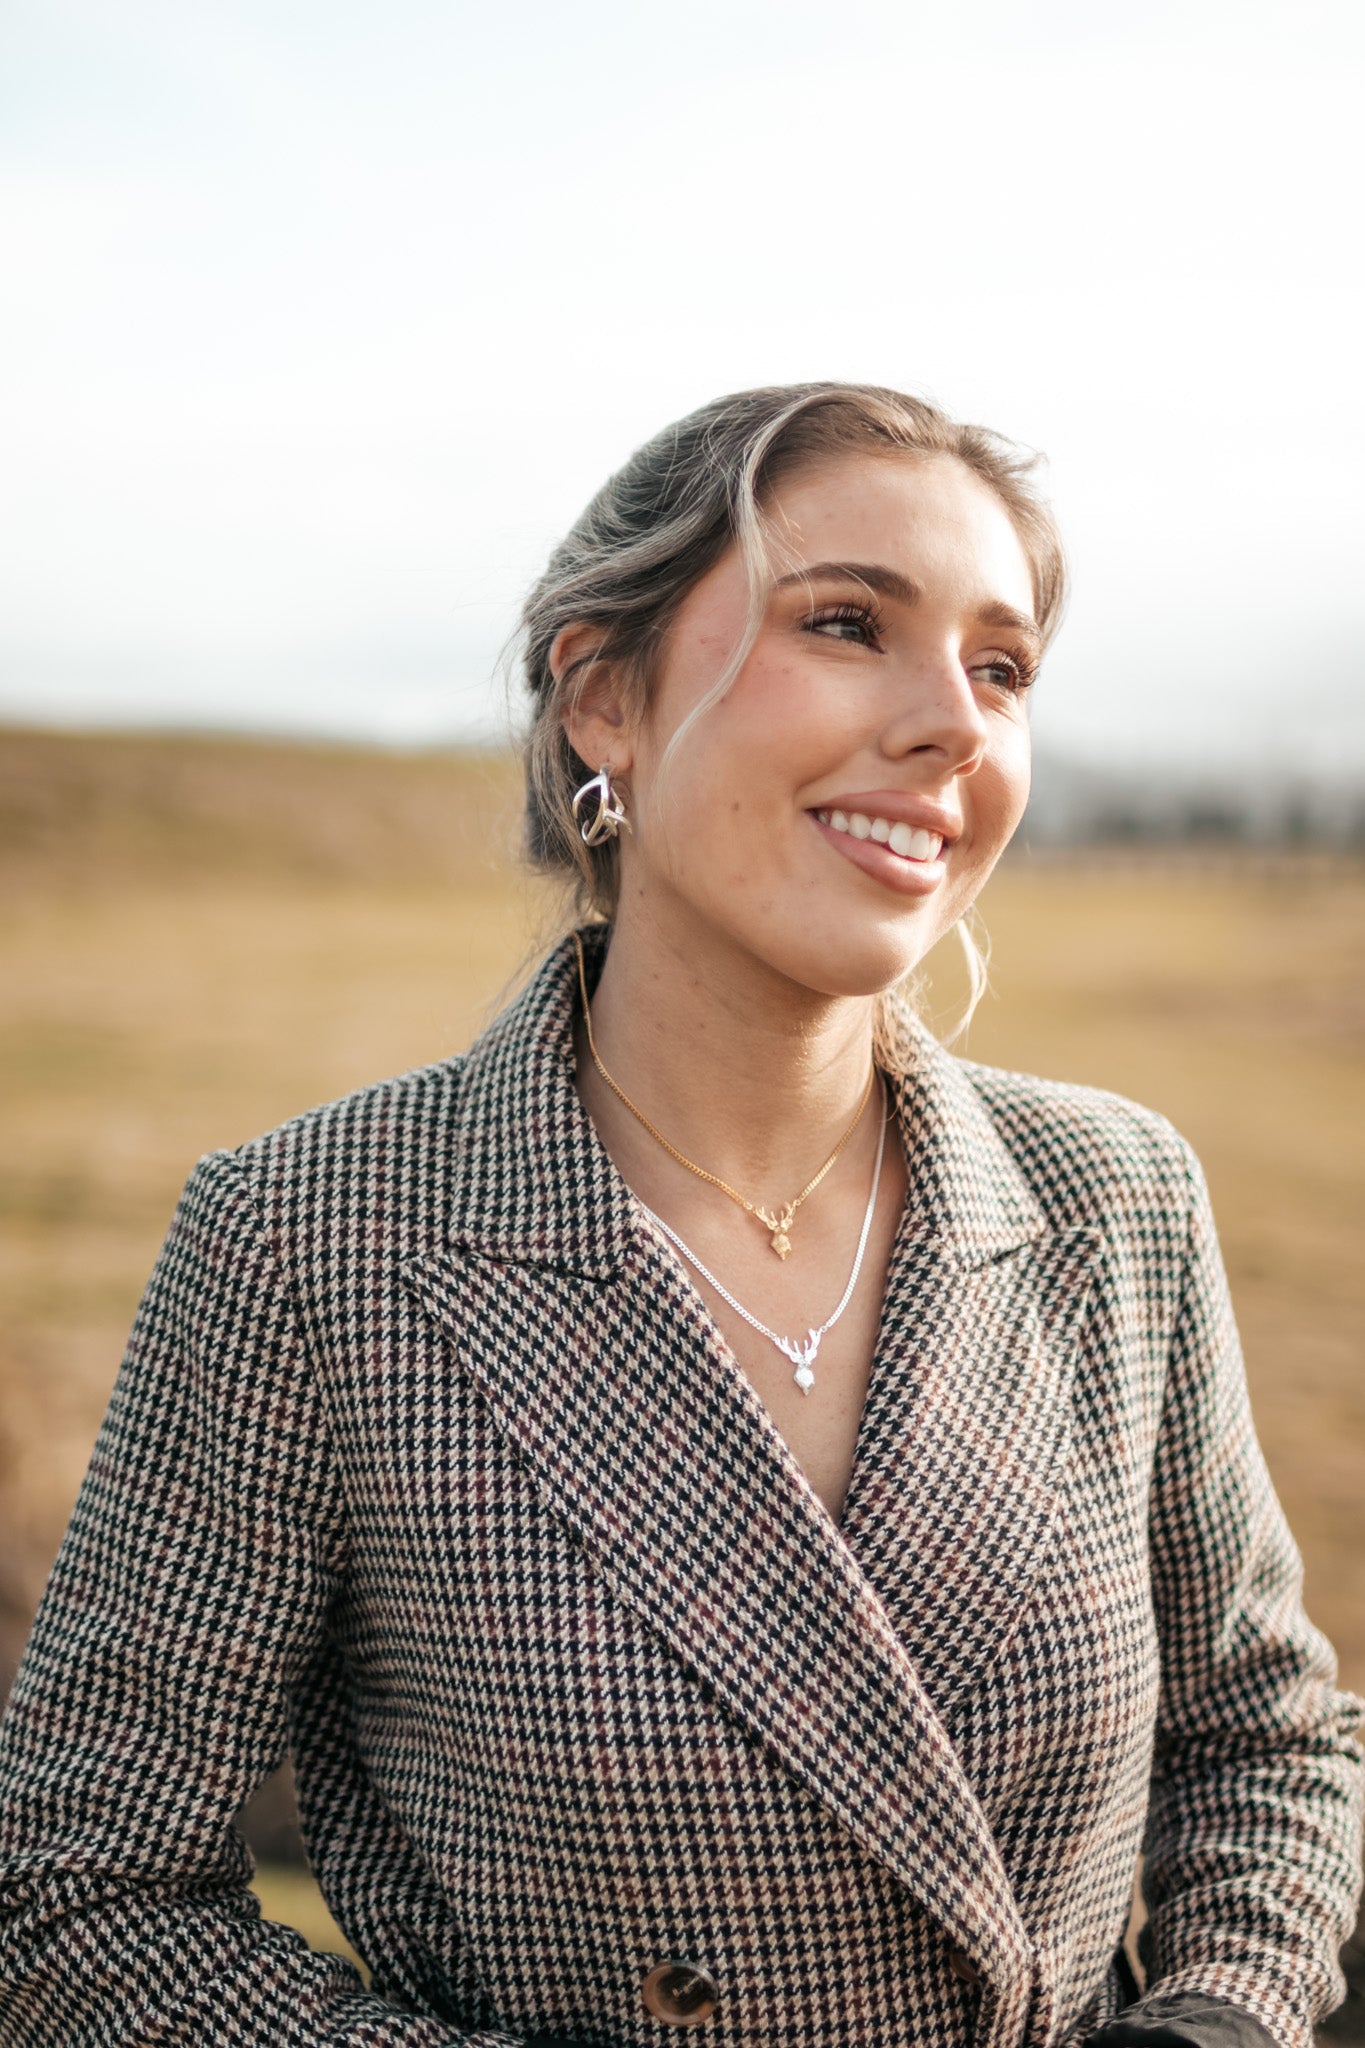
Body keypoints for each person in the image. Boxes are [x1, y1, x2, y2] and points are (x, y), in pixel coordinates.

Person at [0, 382, 1360, 2048]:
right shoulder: (309, 1240)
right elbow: (80, 1891)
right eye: (849, 622)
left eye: (1000, 667)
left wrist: (1217, 2012)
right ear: (602, 700)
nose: (955, 722)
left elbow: (1266, 1745)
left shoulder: (1114, 1198)